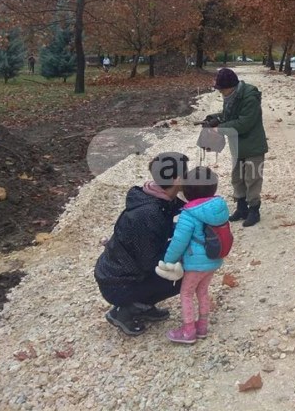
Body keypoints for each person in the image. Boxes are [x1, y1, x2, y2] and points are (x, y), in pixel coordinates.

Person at [95, 152, 189, 336]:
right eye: (187, 173)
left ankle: (142, 305)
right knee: (186, 273)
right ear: (177, 179)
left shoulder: (159, 196)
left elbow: (177, 220)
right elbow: (149, 261)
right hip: (116, 283)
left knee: (186, 262)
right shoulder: (149, 213)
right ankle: (124, 311)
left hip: (119, 272)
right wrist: (182, 257)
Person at [162, 167, 229, 344]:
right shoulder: (218, 207)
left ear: (188, 192)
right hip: (213, 259)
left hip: (195, 263)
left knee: (186, 293)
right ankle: (202, 326)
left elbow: (179, 241)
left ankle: (188, 331)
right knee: (203, 291)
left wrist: (168, 260)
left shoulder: (189, 214)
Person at [204, 68, 268, 227]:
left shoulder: (249, 98)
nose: (221, 93)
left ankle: (254, 209)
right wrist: (215, 118)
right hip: (237, 144)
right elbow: (229, 115)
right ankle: (241, 207)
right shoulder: (231, 96)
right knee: (237, 177)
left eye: (222, 90)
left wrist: (219, 128)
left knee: (252, 178)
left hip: (253, 144)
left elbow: (244, 123)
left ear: (231, 86)